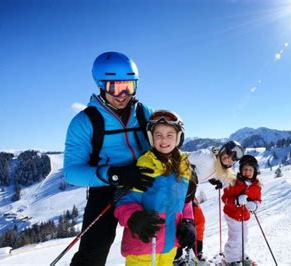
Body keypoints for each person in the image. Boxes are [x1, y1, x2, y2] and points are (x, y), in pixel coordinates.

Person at [64, 51, 154, 265]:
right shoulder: (85, 122)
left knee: (161, 232)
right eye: (114, 87)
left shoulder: (144, 113)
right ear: (101, 85)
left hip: (142, 179)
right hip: (106, 187)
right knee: (94, 249)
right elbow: (72, 171)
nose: (122, 94)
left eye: (128, 86)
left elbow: (165, 145)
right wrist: (113, 175)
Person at [114, 110, 196, 265]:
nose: (164, 140)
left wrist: (188, 221)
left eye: (169, 135)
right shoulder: (144, 165)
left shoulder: (184, 168)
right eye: (158, 135)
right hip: (143, 244)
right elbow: (124, 202)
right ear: (151, 138)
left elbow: (186, 202)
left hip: (170, 245)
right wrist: (134, 218)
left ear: (178, 138)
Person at [221, 155, 262, 265]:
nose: (247, 172)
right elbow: (224, 198)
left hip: (245, 216)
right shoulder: (234, 182)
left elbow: (258, 200)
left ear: (255, 171)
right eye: (245, 169)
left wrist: (255, 205)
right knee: (235, 237)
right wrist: (236, 201)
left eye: (250, 170)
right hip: (232, 215)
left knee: (244, 236)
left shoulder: (256, 186)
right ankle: (231, 259)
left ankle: (241, 255)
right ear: (241, 170)